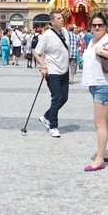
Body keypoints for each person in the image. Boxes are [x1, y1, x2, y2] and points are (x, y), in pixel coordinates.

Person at [81, 12, 108, 171]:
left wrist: (102, 52)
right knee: (105, 121)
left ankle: (100, 159)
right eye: (94, 25)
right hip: (96, 85)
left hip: (104, 85)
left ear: (106, 27)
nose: (97, 27)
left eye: (100, 25)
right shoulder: (92, 41)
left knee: (98, 122)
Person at [35, 10, 70, 138]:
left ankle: (46, 116)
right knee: (57, 98)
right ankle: (53, 126)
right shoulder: (46, 35)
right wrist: (43, 66)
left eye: (62, 18)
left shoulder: (65, 31)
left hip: (64, 69)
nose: (62, 19)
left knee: (64, 98)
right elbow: (37, 53)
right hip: (52, 70)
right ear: (52, 21)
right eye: (59, 18)